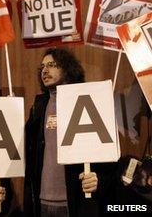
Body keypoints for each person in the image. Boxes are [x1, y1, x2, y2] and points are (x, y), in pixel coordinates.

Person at [24, 48, 117, 217]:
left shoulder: (87, 98)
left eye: (51, 65)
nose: (45, 70)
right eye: (42, 67)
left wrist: (99, 180)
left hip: (75, 202)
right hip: (42, 201)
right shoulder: (39, 106)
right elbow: (26, 151)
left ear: (67, 68)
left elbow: (107, 156)